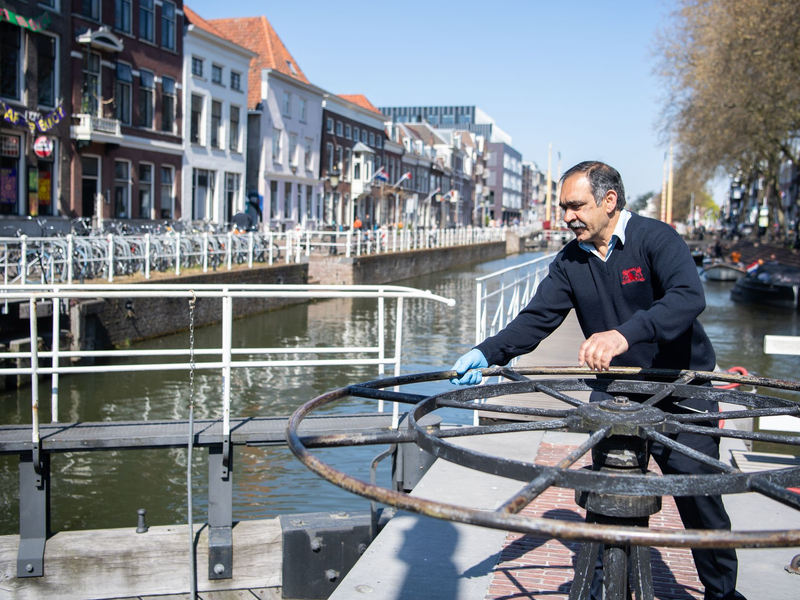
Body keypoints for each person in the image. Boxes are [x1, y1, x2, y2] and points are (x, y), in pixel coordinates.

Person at [451, 161, 745, 600]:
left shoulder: (655, 239)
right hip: (619, 395)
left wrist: (624, 334)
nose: (567, 216)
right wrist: (487, 352)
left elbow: (688, 297)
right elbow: (536, 320)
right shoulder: (570, 261)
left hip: (679, 392)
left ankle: (723, 595)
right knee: (607, 497)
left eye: (576, 205)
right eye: (564, 206)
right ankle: (607, 587)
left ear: (609, 201)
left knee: (701, 501)